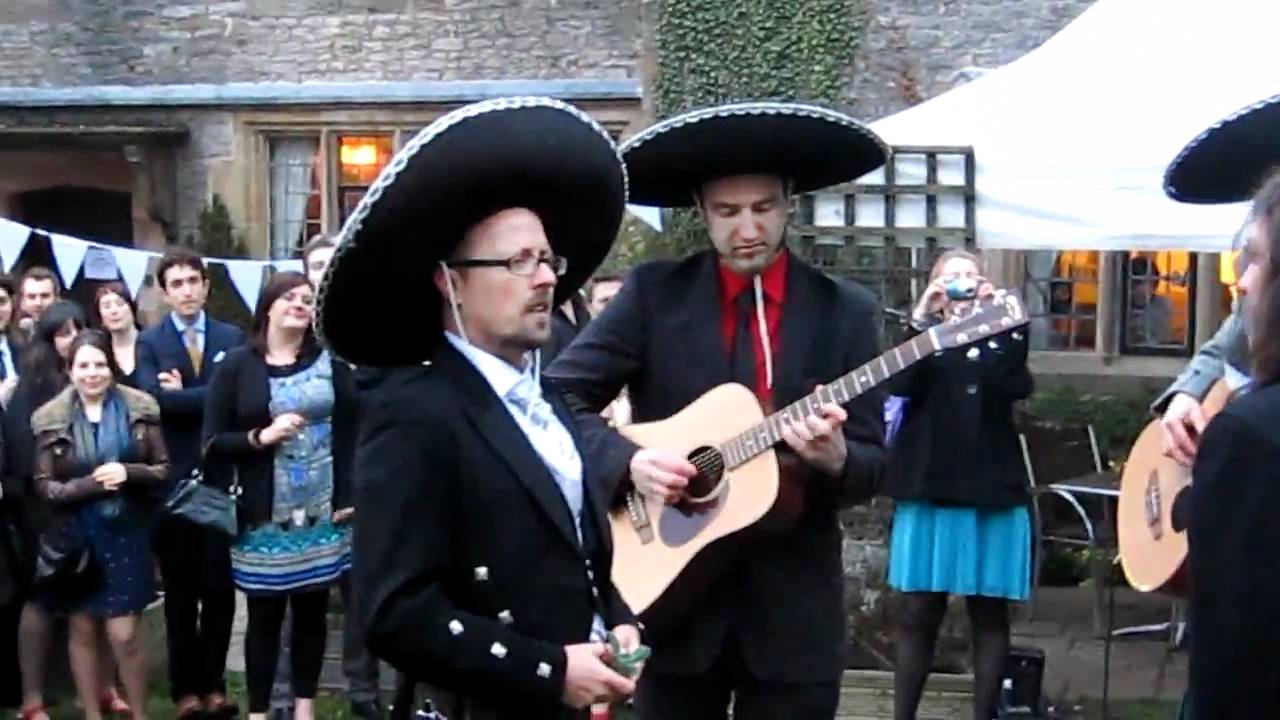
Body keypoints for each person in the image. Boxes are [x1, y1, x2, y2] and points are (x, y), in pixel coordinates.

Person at [546, 101, 888, 720]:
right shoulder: (654, 295)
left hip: (793, 618)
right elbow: (557, 396)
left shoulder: (846, 311)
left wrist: (837, 459)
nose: (747, 228)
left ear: (788, 205)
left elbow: (873, 462)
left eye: (762, 208)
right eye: (728, 213)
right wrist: (629, 462)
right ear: (701, 214)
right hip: (673, 602)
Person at [317, 97, 641, 719]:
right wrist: (548, 672)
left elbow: (574, 551)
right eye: (519, 261)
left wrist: (617, 619)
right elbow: (392, 612)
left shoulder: (545, 395)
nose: (545, 277)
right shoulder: (413, 411)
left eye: (547, 259)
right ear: (451, 283)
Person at [1161, 91, 1280, 719]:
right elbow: (1227, 338)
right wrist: (1186, 393)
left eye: (1257, 261)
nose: (1244, 280)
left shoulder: (1252, 436)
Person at [883, 250, 1033, 720]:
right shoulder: (925, 338)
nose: (963, 282)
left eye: (971, 275)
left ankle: (983, 715)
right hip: (930, 487)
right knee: (917, 615)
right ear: (936, 288)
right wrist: (920, 318)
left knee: (988, 616)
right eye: (952, 277)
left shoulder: (999, 339)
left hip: (991, 492)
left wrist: (1010, 325)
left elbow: (1012, 383)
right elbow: (901, 383)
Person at [203, 271, 356, 720]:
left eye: (307, 299)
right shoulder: (237, 364)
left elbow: (352, 430)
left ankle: (305, 707)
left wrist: (349, 494)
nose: (299, 304)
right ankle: (260, 710)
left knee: (312, 611)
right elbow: (212, 440)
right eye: (289, 296)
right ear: (268, 305)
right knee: (265, 615)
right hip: (262, 512)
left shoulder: (330, 360)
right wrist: (260, 436)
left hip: (323, 510)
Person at [30, 329, 170, 720]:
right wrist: (89, 484)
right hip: (76, 537)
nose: (92, 373)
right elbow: (45, 487)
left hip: (126, 531)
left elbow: (163, 471)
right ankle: (92, 713)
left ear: (111, 367)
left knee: (124, 635)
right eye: (83, 365)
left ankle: (140, 712)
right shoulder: (50, 418)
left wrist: (129, 471)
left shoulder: (139, 408)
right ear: (70, 370)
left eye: (99, 364)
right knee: (82, 631)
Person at [7, 303, 131, 720]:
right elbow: (26, 457)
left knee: (97, 601)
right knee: (42, 601)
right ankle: (32, 697)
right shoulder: (32, 390)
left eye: (77, 328)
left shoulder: (98, 376)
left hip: (99, 508)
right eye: (62, 332)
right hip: (44, 510)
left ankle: (102, 689)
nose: (70, 338)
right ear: (47, 339)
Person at [136, 249, 244, 719]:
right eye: (175, 283)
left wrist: (187, 394)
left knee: (220, 591)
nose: (185, 290)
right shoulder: (151, 342)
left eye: (192, 281)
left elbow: (234, 400)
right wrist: (193, 397)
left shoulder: (231, 336)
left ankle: (215, 685)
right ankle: (186, 692)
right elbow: (154, 403)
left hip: (220, 480)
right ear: (164, 292)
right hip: (174, 485)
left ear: (206, 285)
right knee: (181, 595)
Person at [91, 283, 143, 388]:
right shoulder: (98, 350)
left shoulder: (153, 342)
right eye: (106, 306)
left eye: (120, 304)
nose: (113, 311)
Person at [15, 268, 60, 342]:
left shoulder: (72, 333)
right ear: (22, 301)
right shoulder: (9, 339)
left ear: (57, 298)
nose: (38, 303)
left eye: (45, 296)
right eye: (32, 297)